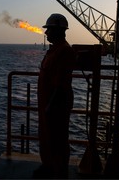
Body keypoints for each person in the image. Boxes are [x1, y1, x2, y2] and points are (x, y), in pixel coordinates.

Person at [34, 13, 76, 178]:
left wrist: (51, 107)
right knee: (46, 136)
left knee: (57, 138)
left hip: (56, 104)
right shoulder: (54, 51)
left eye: (49, 30)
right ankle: (48, 165)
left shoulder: (65, 52)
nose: (46, 33)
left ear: (58, 30)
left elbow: (61, 85)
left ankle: (59, 172)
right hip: (47, 103)